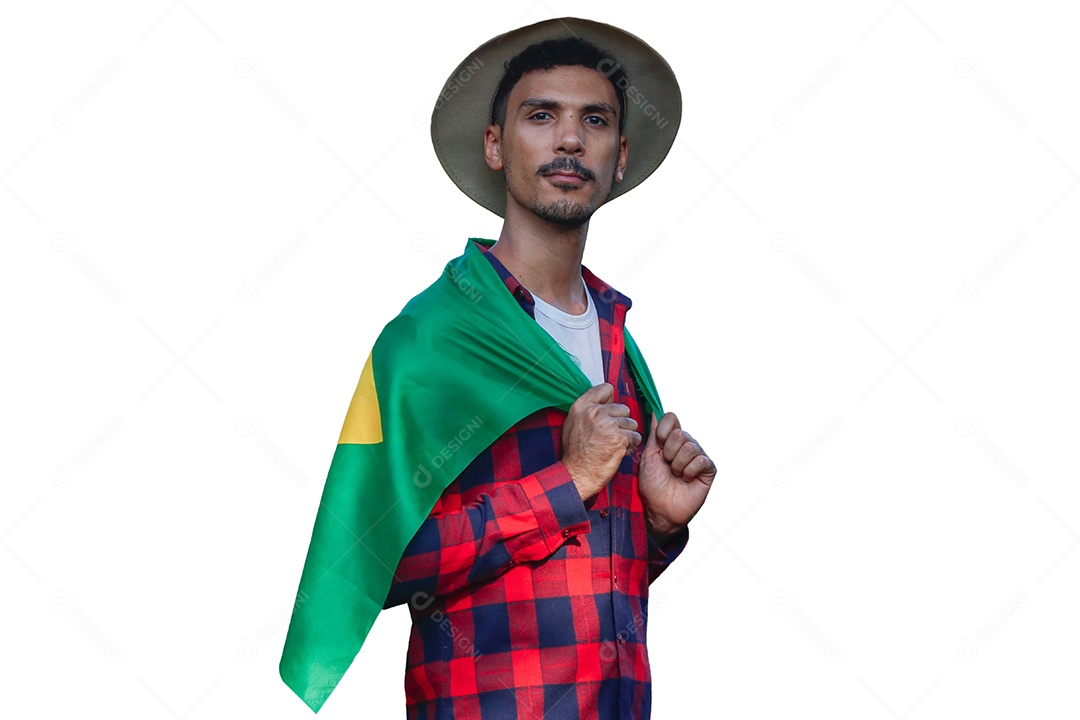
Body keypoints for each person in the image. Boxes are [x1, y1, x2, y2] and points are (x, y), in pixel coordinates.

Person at [379, 17, 717, 719]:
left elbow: (587, 576)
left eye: (594, 120)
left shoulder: (620, 345)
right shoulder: (432, 339)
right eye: (542, 115)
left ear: (619, 155)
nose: (569, 138)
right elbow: (380, 563)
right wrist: (565, 482)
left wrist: (655, 525)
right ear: (496, 145)